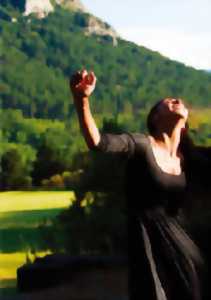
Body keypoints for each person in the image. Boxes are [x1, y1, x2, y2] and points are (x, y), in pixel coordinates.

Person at [70, 69, 210, 300]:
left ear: (184, 126)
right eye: (167, 102)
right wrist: (81, 99)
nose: (176, 100)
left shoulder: (191, 159)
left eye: (179, 101)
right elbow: (98, 142)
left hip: (186, 251)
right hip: (149, 249)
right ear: (155, 119)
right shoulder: (141, 145)